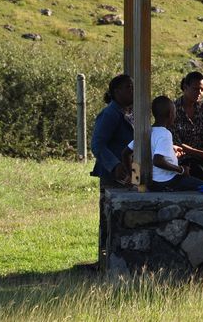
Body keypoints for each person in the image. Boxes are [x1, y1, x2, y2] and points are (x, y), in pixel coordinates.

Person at [90, 74, 134, 264]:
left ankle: (111, 260)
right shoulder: (110, 114)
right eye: (127, 87)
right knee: (109, 220)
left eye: (132, 87)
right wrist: (115, 165)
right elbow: (97, 144)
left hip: (126, 172)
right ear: (116, 92)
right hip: (113, 175)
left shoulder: (127, 112)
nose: (132, 91)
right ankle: (105, 261)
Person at [128, 96, 203, 191]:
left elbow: (125, 153)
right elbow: (158, 161)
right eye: (175, 113)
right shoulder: (165, 134)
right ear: (170, 115)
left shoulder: (146, 132)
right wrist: (181, 170)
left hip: (152, 182)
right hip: (167, 181)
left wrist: (135, 179)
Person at [171, 71, 203, 181]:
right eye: (195, 89)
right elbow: (176, 143)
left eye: (202, 90)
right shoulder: (172, 110)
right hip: (182, 158)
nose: (199, 93)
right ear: (185, 87)